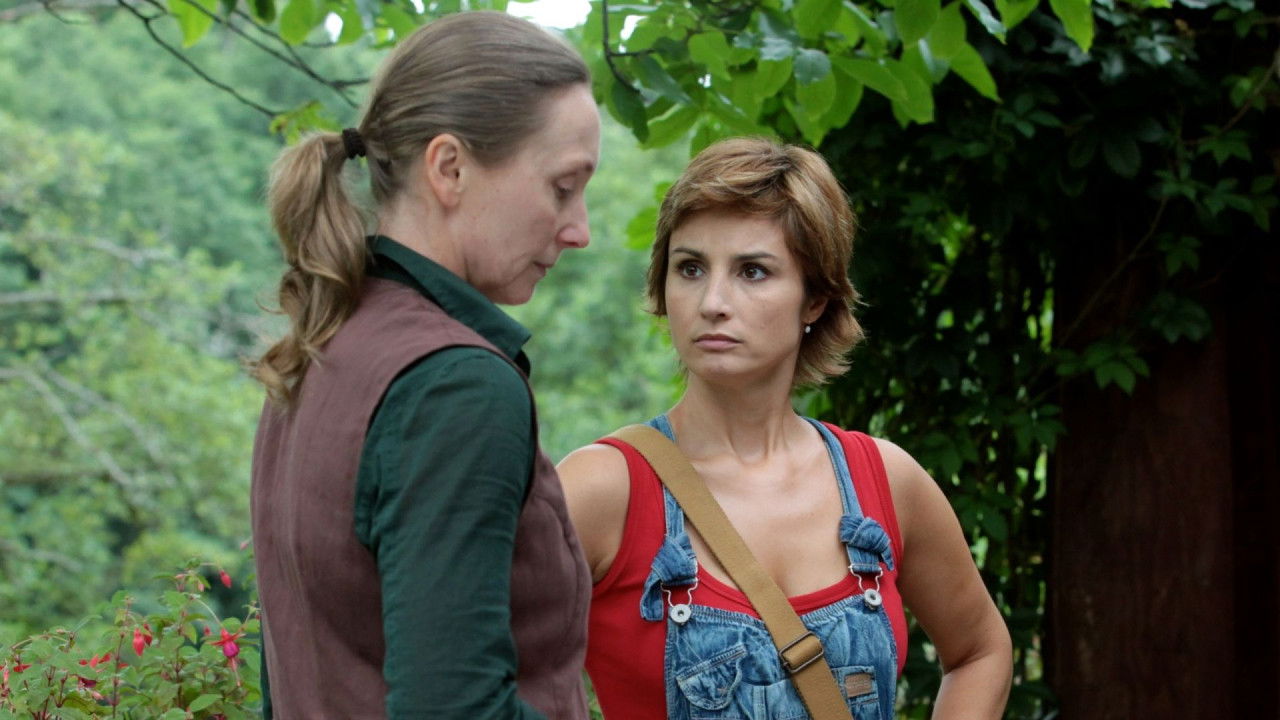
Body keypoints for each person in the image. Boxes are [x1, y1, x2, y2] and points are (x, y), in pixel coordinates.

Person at [558, 137, 1012, 719]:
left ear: (815, 299)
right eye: (690, 268)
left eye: (753, 271)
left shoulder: (883, 481)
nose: (712, 301)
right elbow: (480, 678)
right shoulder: (601, 489)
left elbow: (980, 651)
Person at [248, 11, 599, 719]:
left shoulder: (327, 343)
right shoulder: (454, 386)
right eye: (563, 187)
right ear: (450, 168)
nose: (580, 230)